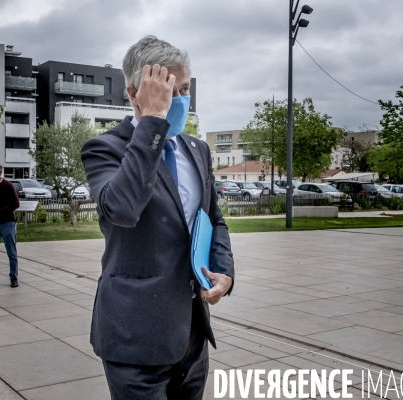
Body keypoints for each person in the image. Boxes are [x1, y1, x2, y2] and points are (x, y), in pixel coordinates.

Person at [81, 36, 235, 399]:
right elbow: (122, 209)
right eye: (167, 91)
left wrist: (224, 270)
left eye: (184, 89)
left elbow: (213, 218)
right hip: (135, 338)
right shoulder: (104, 149)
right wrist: (152, 122)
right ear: (135, 92)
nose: (179, 100)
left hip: (191, 336)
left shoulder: (196, 149)